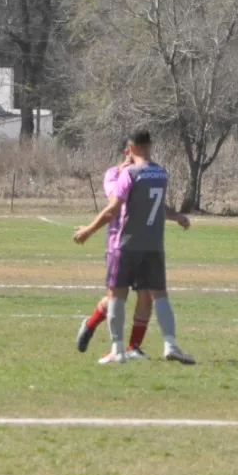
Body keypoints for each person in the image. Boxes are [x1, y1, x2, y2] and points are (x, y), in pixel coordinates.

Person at [74, 129, 193, 365]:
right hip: (142, 243)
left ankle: (125, 349)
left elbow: (115, 207)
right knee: (142, 295)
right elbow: (130, 200)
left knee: (131, 296)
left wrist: (88, 229)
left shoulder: (130, 174)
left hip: (127, 243)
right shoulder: (152, 172)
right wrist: (178, 216)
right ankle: (167, 343)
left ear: (131, 148)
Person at [76, 143, 156, 358]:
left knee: (146, 295)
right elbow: (115, 203)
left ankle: (134, 348)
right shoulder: (113, 174)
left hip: (144, 244)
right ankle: (91, 324)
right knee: (116, 299)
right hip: (118, 244)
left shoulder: (149, 174)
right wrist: (89, 230)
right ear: (127, 151)